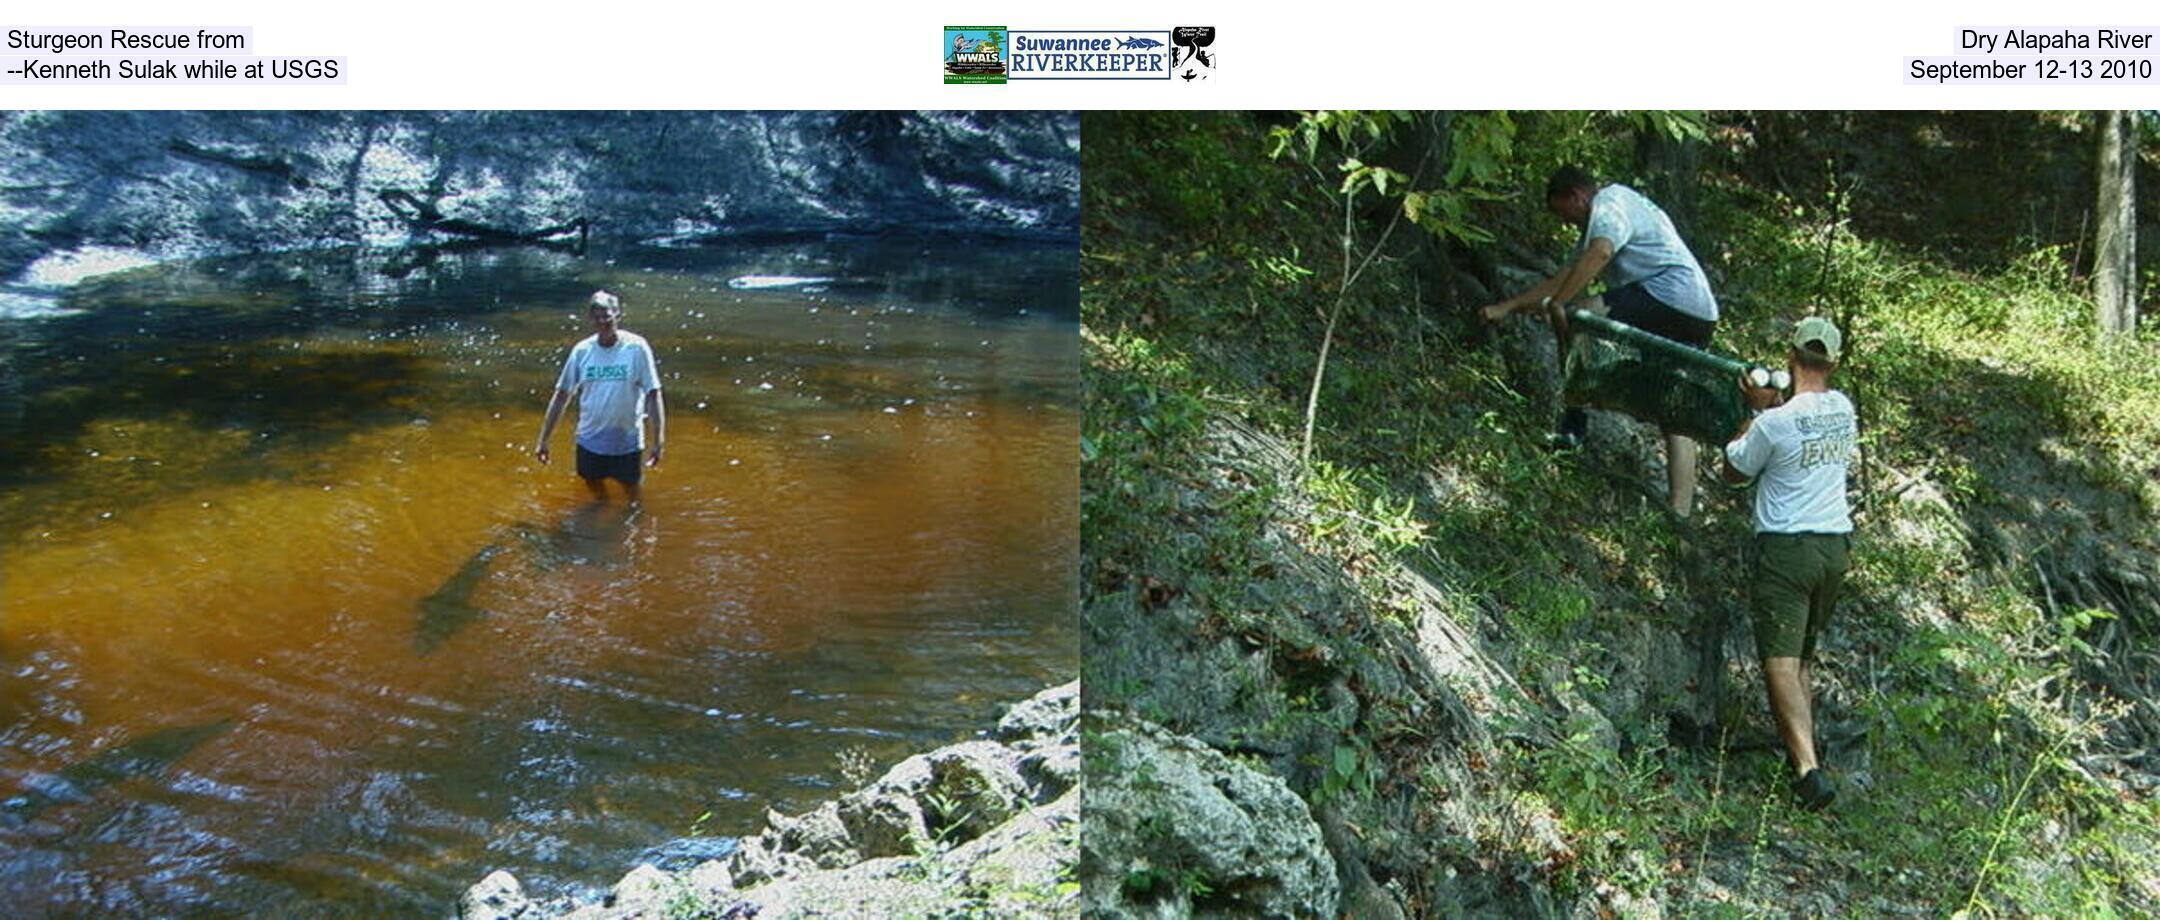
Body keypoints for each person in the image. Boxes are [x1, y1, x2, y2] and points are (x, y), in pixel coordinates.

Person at [1478, 166, 1721, 516]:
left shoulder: (1610, 203)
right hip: (1700, 315)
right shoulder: (1622, 209)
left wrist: (1560, 305)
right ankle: (1679, 514)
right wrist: (1508, 307)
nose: (1567, 223)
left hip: (1669, 295)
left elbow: (1601, 254)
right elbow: (1565, 277)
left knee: (1579, 317)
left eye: (1565, 213)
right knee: (1676, 410)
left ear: (1577, 196)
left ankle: (1575, 422)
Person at [1723, 316, 1856, 811]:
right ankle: (1808, 756)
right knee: (1800, 657)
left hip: (1787, 550)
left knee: (1778, 662)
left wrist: (1752, 411)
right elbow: (1805, 422)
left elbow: (1734, 470)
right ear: (1834, 362)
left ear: (1791, 356)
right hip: (1834, 547)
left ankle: (1807, 771)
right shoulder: (1844, 409)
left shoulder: (1774, 423)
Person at [533, 290, 666, 501]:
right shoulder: (582, 351)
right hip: (589, 442)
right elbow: (561, 395)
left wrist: (658, 441)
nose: (603, 321)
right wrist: (544, 440)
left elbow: (653, 393)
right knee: (594, 499)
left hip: (627, 443)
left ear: (618, 315)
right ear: (590, 319)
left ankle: (632, 534)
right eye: (597, 317)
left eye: (607, 315)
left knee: (632, 501)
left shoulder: (636, 348)